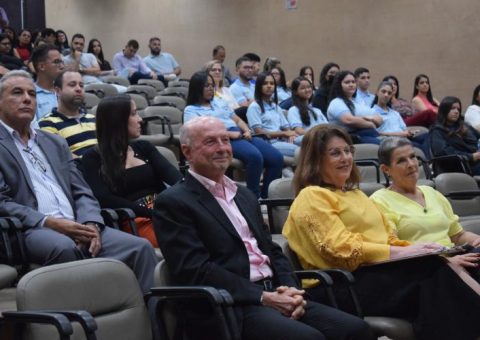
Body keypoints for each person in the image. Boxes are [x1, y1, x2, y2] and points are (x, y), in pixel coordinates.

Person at [153, 116, 373, 340]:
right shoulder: (173, 203)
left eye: (225, 140)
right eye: (211, 142)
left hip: (274, 292)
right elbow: (196, 271)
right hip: (228, 306)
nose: (222, 148)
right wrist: (263, 297)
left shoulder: (244, 195)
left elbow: (272, 250)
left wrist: (290, 290)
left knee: (356, 330)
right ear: (187, 152)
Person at [282, 124, 480, 339]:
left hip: (373, 275)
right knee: (432, 269)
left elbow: (390, 239)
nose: (345, 158)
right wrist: (409, 253)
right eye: (335, 153)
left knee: (459, 260)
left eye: (348, 151)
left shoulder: (356, 195)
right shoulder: (311, 196)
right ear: (316, 159)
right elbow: (339, 249)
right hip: (339, 284)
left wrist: (421, 250)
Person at [0, 70, 158, 293]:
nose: (27, 98)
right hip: (31, 229)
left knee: (140, 248)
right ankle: (89, 320)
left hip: (78, 223)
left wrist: (90, 222)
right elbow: (3, 202)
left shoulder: (54, 142)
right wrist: (50, 222)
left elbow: (82, 191)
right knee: (65, 247)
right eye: (17, 93)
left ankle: (152, 323)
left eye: (32, 94)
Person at [371, 137, 480, 282]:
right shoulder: (379, 201)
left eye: (412, 157)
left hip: (456, 258)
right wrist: (445, 263)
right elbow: (395, 251)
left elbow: (457, 236)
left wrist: (477, 239)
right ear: (386, 169)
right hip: (423, 269)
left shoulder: (432, 192)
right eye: (401, 161)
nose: (411, 164)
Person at [82, 95, 181, 247]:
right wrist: (151, 213)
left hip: (166, 213)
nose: (140, 119)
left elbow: (175, 178)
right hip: (133, 220)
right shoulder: (92, 158)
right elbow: (104, 199)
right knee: (182, 243)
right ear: (117, 120)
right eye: (134, 114)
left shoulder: (144, 148)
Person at [184, 71, 283, 198]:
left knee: (276, 158)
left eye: (211, 85)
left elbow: (237, 119)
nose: (210, 88)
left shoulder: (219, 102)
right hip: (221, 140)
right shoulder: (191, 110)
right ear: (197, 88)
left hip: (240, 134)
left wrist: (246, 129)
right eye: (206, 86)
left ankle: (266, 196)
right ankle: (253, 197)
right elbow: (199, 132)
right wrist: (229, 134)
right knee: (255, 157)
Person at [38, 71, 97, 158]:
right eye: (72, 85)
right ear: (58, 91)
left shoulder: (94, 118)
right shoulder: (47, 123)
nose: (78, 89)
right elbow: (62, 157)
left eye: (81, 85)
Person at [247, 72, 299, 157]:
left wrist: (290, 135)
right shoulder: (254, 107)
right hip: (269, 143)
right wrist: (284, 134)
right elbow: (259, 133)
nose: (269, 86)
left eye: (272, 83)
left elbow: (286, 127)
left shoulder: (275, 106)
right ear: (259, 86)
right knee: (301, 151)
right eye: (265, 83)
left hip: (282, 139)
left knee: (309, 143)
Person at [326, 70, 382, 144]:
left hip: (368, 134)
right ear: (339, 85)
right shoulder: (336, 102)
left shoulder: (358, 102)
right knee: (382, 146)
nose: (351, 84)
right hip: (348, 139)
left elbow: (379, 118)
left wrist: (370, 119)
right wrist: (371, 124)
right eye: (347, 82)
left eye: (353, 82)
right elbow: (349, 120)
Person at [429, 96, 480, 175]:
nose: (456, 112)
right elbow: (444, 154)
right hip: (459, 167)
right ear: (444, 110)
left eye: (458, 109)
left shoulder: (464, 126)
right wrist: (471, 156)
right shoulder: (437, 131)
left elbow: (478, 137)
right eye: (453, 108)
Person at [371, 81, 426, 150]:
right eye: (383, 91)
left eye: (389, 93)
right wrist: (402, 134)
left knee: (427, 136)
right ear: (377, 92)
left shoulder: (395, 113)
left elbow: (405, 130)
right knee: (420, 147)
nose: (386, 95)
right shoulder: (371, 112)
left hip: (404, 140)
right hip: (391, 143)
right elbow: (378, 133)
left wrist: (409, 133)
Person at [287, 76, 328, 145]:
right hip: (308, 138)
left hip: (322, 136)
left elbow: (327, 126)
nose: (307, 90)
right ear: (296, 92)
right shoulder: (293, 110)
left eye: (309, 87)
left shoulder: (317, 110)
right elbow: (299, 131)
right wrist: (317, 134)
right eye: (302, 88)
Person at [31, 44, 65, 120]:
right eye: (57, 62)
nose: (62, 66)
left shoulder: (66, 90)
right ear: (42, 66)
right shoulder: (30, 94)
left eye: (62, 62)